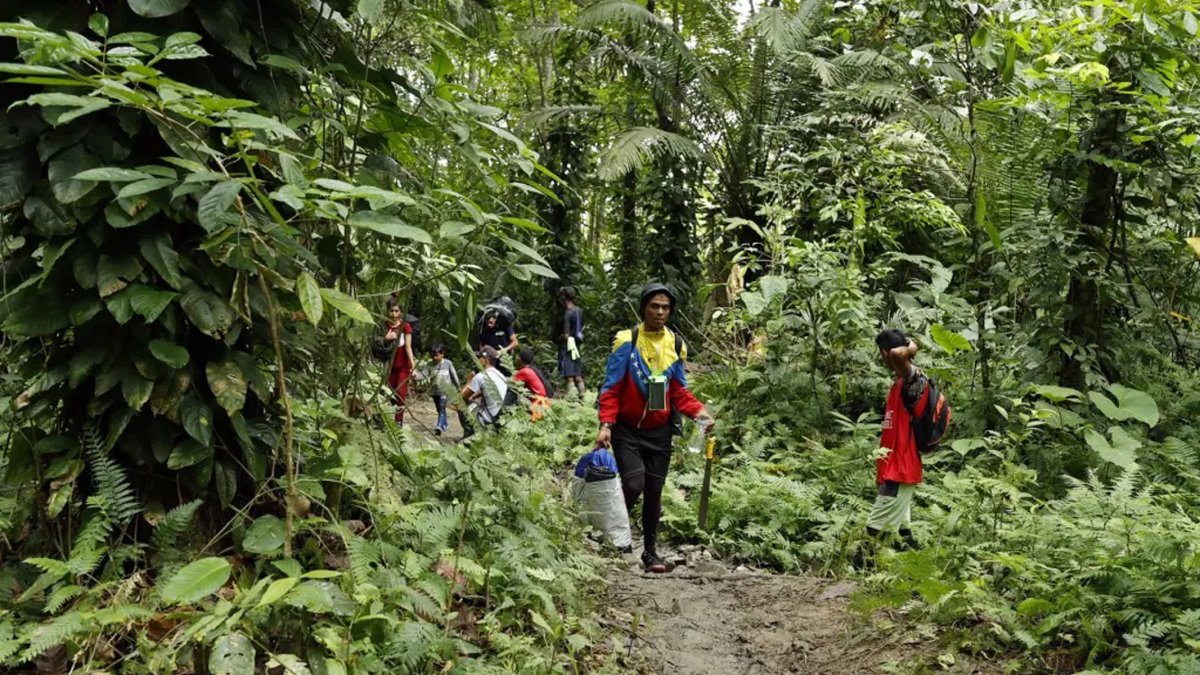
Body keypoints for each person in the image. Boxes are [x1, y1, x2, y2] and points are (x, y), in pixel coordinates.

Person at [596, 282, 714, 572]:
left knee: (654, 491)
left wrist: (699, 413)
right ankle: (612, 530)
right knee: (634, 484)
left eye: (665, 307)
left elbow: (678, 391)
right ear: (643, 308)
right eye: (654, 306)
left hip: (660, 432)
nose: (660, 312)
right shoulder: (627, 340)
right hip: (627, 429)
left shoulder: (676, 345)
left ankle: (650, 553)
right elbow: (611, 387)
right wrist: (606, 424)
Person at [855, 327, 928, 567]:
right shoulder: (899, 382)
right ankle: (918, 576)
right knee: (903, 535)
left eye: (882, 354)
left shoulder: (913, 380)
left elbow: (898, 355)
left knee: (875, 529)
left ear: (886, 353)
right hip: (894, 468)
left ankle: (859, 574)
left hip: (899, 469)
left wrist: (911, 347)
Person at [373, 294, 415, 426]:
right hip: (388, 365)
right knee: (388, 393)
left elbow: (408, 347)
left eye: (397, 311)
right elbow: (376, 344)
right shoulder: (383, 326)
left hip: (403, 365)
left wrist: (413, 367)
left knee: (401, 393)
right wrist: (386, 338)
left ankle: (398, 420)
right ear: (387, 311)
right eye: (392, 310)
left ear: (401, 312)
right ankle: (384, 419)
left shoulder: (405, 326)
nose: (394, 313)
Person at [461, 346, 509, 435]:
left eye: (480, 358)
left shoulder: (480, 376)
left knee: (462, 405)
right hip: (501, 417)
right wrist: (474, 396)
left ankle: (468, 436)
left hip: (489, 418)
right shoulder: (501, 376)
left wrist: (469, 381)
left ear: (486, 360)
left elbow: (461, 398)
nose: (478, 360)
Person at [425, 344, 461, 436]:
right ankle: (445, 423)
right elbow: (424, 375)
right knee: (439, 409)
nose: (435, 357)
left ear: (442, 354)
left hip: (445, 390)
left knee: (442, 407)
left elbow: (454, 375)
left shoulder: (448, 363)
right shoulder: (429, 364)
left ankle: (440, 426)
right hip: (434, 391)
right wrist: (415, 376)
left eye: (437, 355)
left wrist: (458, 386)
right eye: (433, 355)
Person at [558, 287, 586, 398]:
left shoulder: (568, 313)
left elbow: (566, 335)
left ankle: (572, 401)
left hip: (569, 346)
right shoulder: (579, 310)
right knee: (578, 375)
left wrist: (558, 338)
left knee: (569, 376)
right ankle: (583, 399)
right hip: (577, 345)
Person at [513, 346, 552, 421]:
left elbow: (510, 383)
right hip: (547, 402)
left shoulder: (524, 371)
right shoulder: (533, 369)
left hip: (539, 405)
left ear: (520, 359)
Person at [478, 312, 518, 376]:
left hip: (504, 359)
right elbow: (481, 345)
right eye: (487, 320)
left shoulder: (504, 326)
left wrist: (503, 350)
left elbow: (515, 342)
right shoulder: (483, 329)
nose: (489, 323)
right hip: (491, 361)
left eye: (491, 321)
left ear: (495, 319)